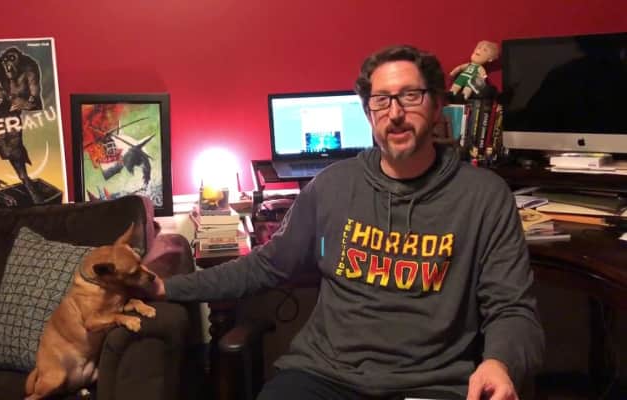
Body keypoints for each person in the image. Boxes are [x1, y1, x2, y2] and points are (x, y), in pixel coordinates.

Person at [152, 45, 544, 400]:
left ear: (437, 104)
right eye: (381, 100)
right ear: (368, 112)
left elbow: (512, 308)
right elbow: (266, 265)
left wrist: (500, 363)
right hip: (324, 377)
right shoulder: (332, 186)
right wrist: (165, 287)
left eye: (410, 96)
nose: (395, 114)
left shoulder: (483, 196)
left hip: (432, 384)